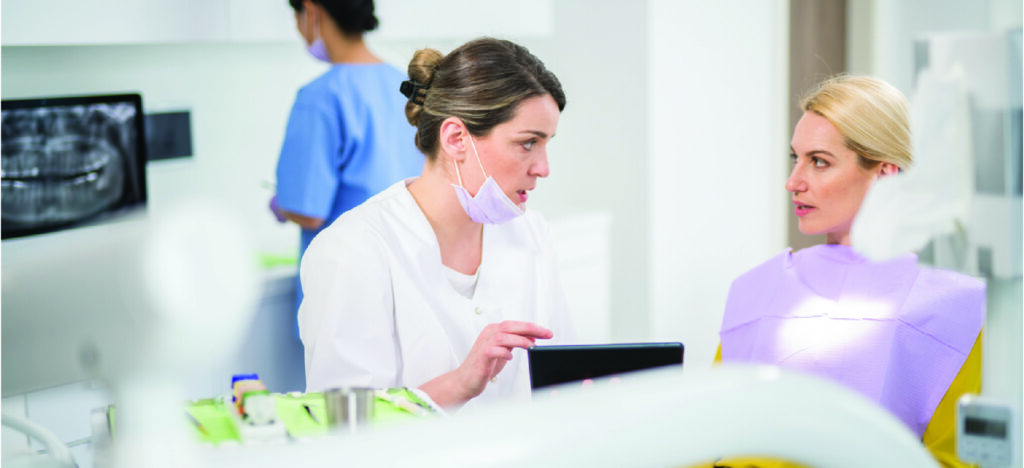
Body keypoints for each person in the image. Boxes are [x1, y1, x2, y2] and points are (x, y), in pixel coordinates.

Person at [715, 75, 984, 468]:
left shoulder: (953, 310)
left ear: (885, 174)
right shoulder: (757, 289)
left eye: (819, 162)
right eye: (797, 159)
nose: (793, 182)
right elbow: (708, 437)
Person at [297, 38, 575, 410]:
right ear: (457, 138)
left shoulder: (532, 234)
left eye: (547, 144)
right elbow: (347, 427)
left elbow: (567, 380)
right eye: (528, 143)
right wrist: (458, 384)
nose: (544, 168)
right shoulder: (353, 249)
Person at [271, 0, 423, 304]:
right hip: (411, 275)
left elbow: (307, 211)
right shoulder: (406, 88)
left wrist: (281, 204)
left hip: (346, 286)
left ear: (311, 11)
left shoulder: (320, 97)